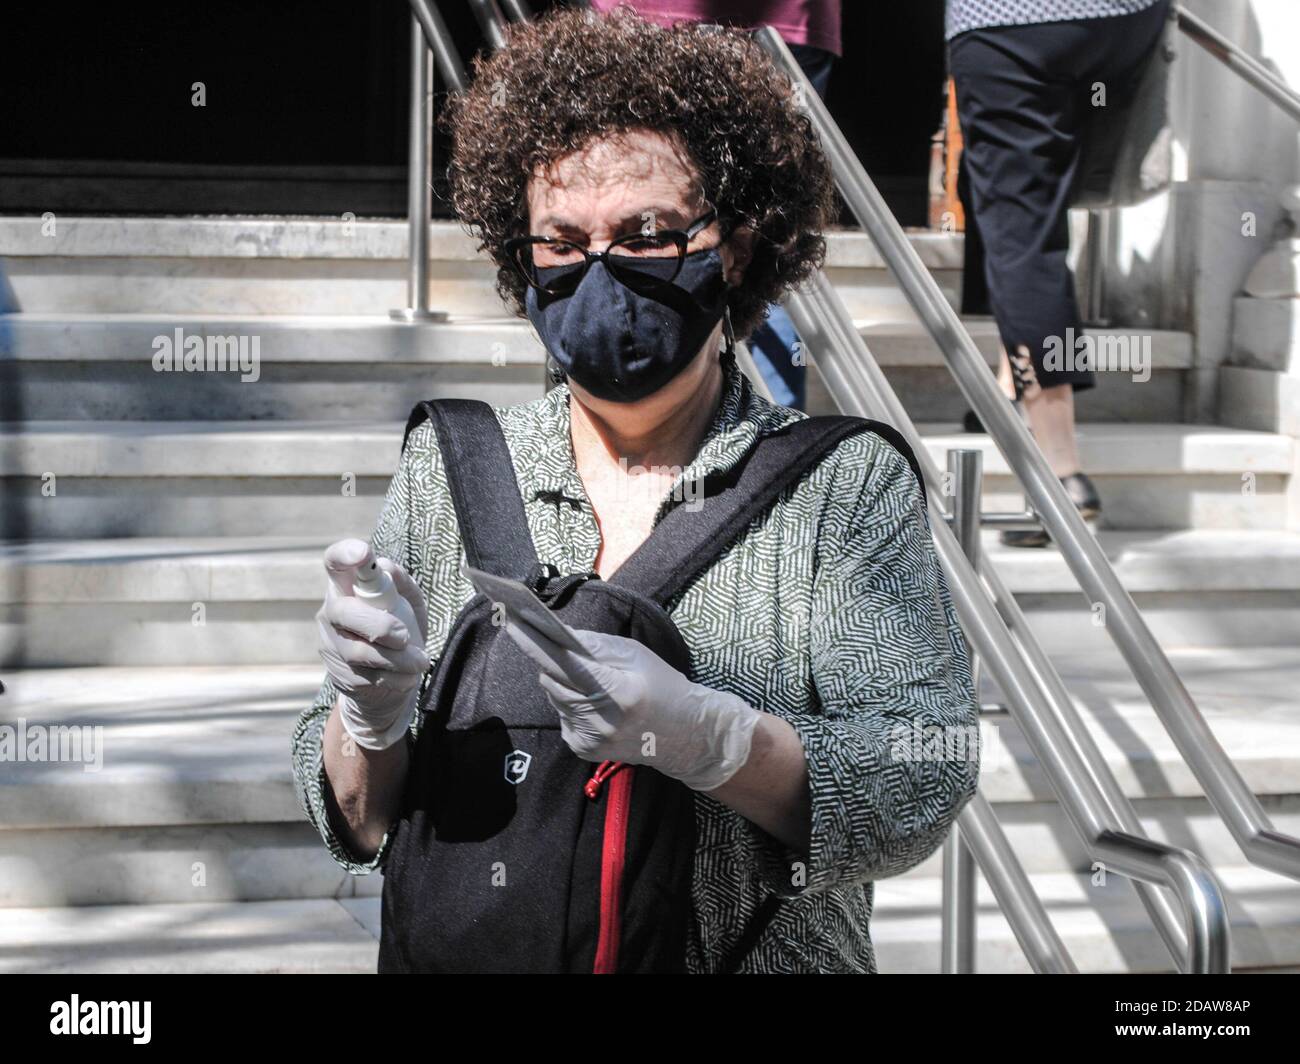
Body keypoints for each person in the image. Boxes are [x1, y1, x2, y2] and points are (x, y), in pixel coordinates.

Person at [292, 7, 977, 974]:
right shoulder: (450, 467)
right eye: (560, 243)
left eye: (649, 233)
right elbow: (360, 824)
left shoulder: (840, 486)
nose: (599, 270)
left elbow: (922, 771)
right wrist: (368, 717)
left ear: (734, 247)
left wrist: (712, 740)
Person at [947, 0, 1171, 546]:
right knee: (1020, 199)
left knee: (1023, 234)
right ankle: (1008, 385)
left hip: (1011, 22)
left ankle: (1061, 474)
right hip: (1123, 19)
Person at [589, 0, 843, 409]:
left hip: (662, 16)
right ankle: (770, 447)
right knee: (762, 237)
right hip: (781, 22)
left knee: (660, 229)